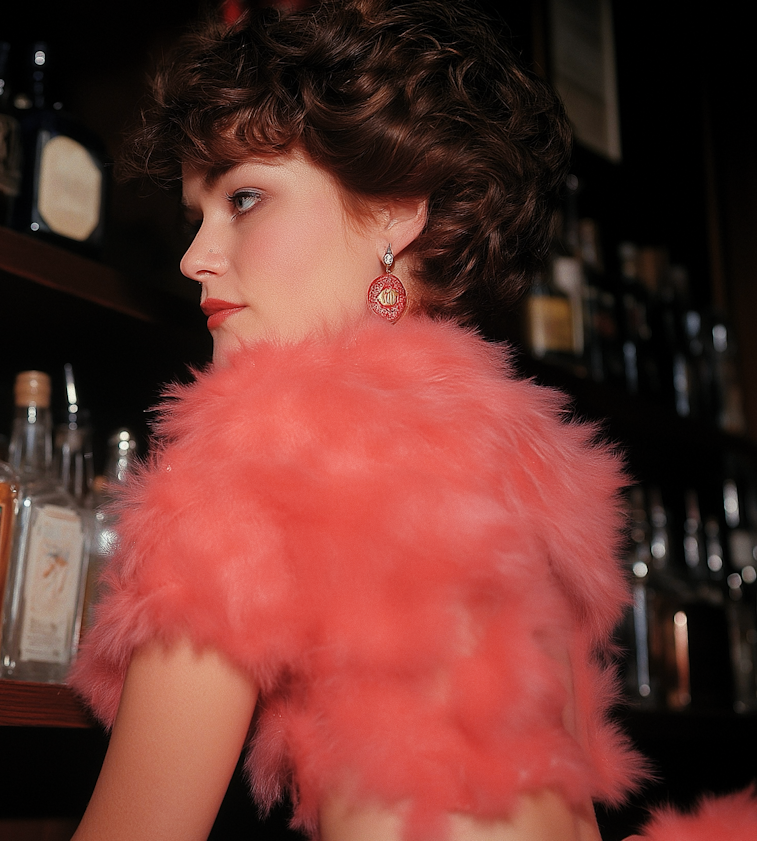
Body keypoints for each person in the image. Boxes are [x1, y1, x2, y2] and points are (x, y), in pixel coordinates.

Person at [67, 1, 640, 838]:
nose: (195, 256)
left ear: (399, 209)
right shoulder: (530, 473)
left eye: (246, 198)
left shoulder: (252, 464)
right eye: (198, 215)